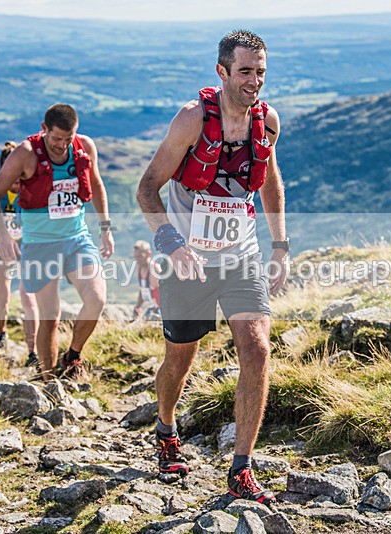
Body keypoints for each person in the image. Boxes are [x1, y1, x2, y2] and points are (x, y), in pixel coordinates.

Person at [136, 30, 289, 504]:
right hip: (187, 261)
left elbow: (269, 180)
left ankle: (241, 467)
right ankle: (165, 428)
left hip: (240, 256)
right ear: (222, 72)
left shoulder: (267, 122)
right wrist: (171, 242)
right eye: (245, 72)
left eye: (260, 72)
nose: (254, 81)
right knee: (180, 360)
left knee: (257, 348)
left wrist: (280, 245)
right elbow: (146, 188)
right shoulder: (191, 120)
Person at [0, 104, 114, 382]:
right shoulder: (25, 154)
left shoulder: (84, 147)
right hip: (40, 244)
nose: (62, 145)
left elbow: (97, 184)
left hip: (77, 239)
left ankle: (73, 355)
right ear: (44, 129)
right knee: (49, 318)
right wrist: (4, 236)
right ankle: (48, 381)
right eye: (57, 139)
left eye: (68, 139)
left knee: (97, 300)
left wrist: (105, 227)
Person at [0, 142, 39, 365]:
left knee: (28, 297)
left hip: (26, 246)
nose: (15, 180)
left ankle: (33, 351)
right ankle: (1, 333)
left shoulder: (29, 187)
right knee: (2, 297)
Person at [132, 240, 161, 321]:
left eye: (140, 256)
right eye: (135, 257)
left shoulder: (155, 269)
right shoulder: (139, 268)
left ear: (148, 254)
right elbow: (142, 290)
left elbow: (167, 292)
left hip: (161, 310)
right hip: (151, 308)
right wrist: (138, 307)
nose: (137, 260)